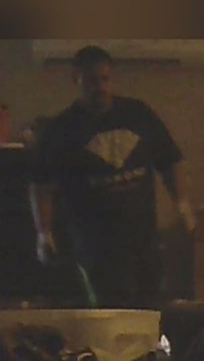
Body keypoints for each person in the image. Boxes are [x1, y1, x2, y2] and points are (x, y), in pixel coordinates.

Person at [30, 45, 195, 309]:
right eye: (92, 81)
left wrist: (183, 204)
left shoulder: (139, 115)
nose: (101, 87)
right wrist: (44, 232)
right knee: (111, 313)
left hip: (143, 240)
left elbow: (169, 161)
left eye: (105, 79)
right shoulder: (62, 130)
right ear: (76, 79)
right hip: (95, 247)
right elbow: (42, 184)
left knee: (151, 311)